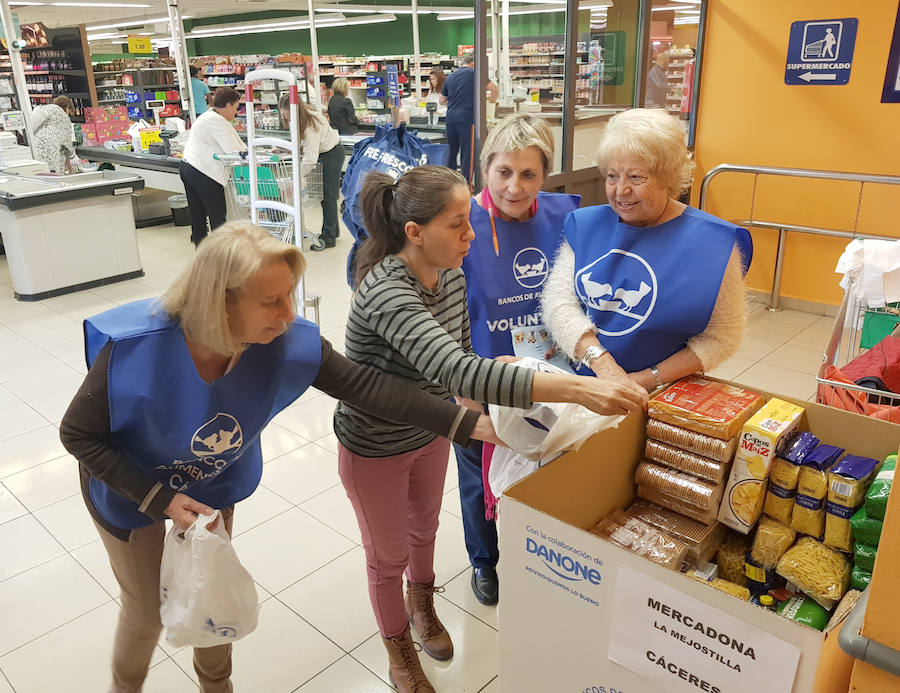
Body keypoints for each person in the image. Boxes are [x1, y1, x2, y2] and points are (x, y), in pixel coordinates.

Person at [59, 221, 507, 693]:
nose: (288, 313)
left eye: (290, 295)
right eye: (272, 301)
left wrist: (467, 424)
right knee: (146, 610)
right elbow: (78, 435)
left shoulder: (282, 343)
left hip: (210, 480)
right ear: (220, 301)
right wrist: (161, 499)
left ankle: (217, 686)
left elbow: (367, 388)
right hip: (129, 483)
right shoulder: (135, 352)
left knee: (211, 588)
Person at [335, 165, 647, 693]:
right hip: (376, 447)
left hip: (429, 432)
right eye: (458, 224)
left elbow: (461, 361)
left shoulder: (451, 275)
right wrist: (579, 388)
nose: (471, 235)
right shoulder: (388, 291)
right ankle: (398, 651)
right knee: (385, 556)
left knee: (425, 531)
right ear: (415, 233)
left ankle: (423, 606)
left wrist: (490, 426)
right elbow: (458, 370)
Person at [455, 113, 580, 607]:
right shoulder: (459, 220)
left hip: (552, 376)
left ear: (545, 175)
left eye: (528, 174)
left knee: (548, 462)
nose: (514, 186)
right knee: (477, 473)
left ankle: (542, 552)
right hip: (478, 381)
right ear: (485, 168)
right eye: (503, 171)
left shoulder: (566, 217)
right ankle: (484, 562)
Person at [541, 108, 752, 395]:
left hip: (665, 392)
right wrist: (602, 365)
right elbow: (558, 303)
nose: (620, 191)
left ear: (667, 177)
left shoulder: (713, 243)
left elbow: (722, 337)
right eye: (612, 176)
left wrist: (644, 379)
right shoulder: (586, 226)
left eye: (636, 177)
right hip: (589, 382)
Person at [180, 87, 246, 246]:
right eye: (236, 107)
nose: (236, 112)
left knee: (198, 214)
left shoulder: (209, 116)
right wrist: (252, 156)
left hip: (189, 168)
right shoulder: (217, 121)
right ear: (229, 106)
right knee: (217, 215)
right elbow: (234, 150)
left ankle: (202, 252)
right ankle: (220, 253)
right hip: (204, 172)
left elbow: (235, 143)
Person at [279, 95, 343, 251]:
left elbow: (310, 157)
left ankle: (328, 237)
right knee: (327, 196)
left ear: (295, 110)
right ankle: (333, 231)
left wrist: (297, 176)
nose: (285, 117)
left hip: (331, 154)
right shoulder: (302, 118)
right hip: (325, 153)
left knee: (328, 196)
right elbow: (304, 145)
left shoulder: (310, 124)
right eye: (283, 114)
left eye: (287, 113)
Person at [439, 54, 498, 183]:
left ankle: (449, 184)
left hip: (450, 119)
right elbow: (494, 89)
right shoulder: (475, 73)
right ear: (473, 63)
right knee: (467, 155)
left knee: (451, 152)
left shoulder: (450, 77)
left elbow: (442, 100)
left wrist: (455, 102)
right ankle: (466, 186)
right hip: (467, 119)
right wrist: (490, 105)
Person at [30, 95, 75, 174]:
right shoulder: (64, 118)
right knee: (54, 176)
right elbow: (67, 145)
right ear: (67, 107)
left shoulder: (44, 109)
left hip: (36, 147)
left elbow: (30, 129)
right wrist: (72, 157)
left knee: (39, 173)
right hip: (52, 150)